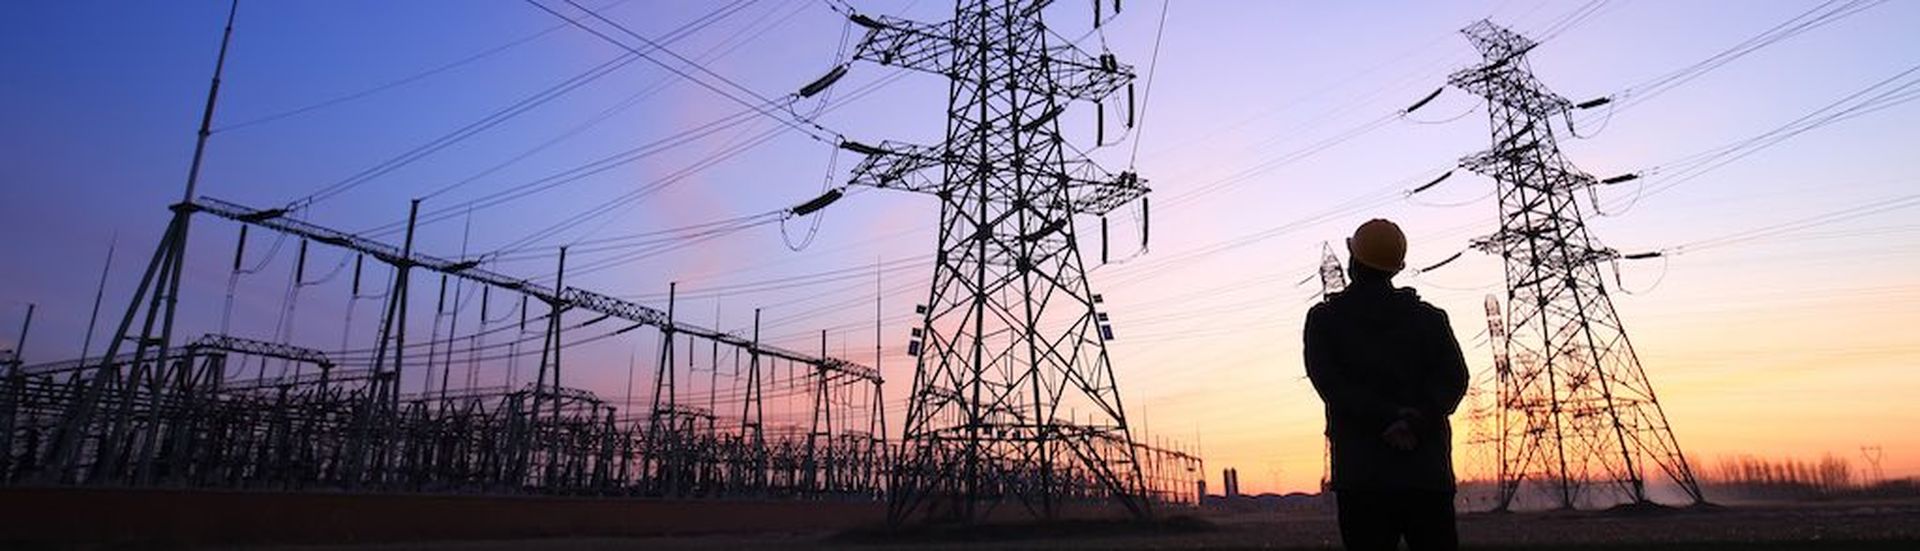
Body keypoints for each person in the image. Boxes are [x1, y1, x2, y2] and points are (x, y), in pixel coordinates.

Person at [1304, 219, 1470, 551]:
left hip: (1362, 477)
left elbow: (1331, 385)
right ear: (1396, 268)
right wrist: (1413, 421)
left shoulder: (1325, 320)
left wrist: (1384, 417)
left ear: (1353, 262)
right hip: (1425, 473)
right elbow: (1454, 380)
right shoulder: (1430, 319)